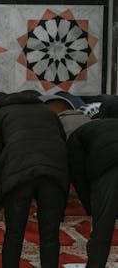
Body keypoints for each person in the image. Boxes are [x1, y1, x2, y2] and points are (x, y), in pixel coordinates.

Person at [0, 91, 69, 268]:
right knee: (50, 234)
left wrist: (2, 190)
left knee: (14, 234)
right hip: (53, 172)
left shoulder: (1, 113)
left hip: (18, 174)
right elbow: (62, 141)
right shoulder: (48, 111)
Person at [65, 97, 118, 268]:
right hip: (108, 168)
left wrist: (90, 205)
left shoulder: (85, 130)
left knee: (103, 228)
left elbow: (77, 173)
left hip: (108, 171)